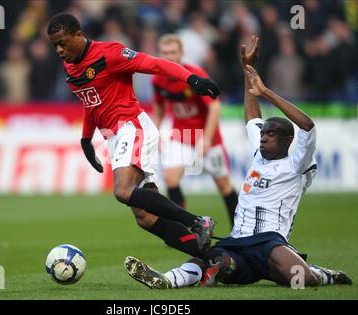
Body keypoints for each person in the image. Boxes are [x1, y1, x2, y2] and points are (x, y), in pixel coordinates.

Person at [124, 36, 352, 289]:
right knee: (208, 260)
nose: (263, 137)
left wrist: (266, 93)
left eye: (270, 134)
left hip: (269, 242)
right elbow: (252, 116)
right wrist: (248, 72)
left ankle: (321, 274)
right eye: (263, 133)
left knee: (301, 279)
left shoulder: (297, 163)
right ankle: (166, 279)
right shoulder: (259, 152)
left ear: (288, 140)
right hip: (236, 242)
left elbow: (308, 126)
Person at [47, 13, 220, 259]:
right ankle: (214, 258)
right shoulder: (69, 65)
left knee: (122, 191)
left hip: (133, 126)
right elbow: (91, 101)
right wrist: (86, 139)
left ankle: (198, 222)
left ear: (78, 35)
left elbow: (156, 64)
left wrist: (191, 78)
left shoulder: (111, 54)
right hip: (114, 137)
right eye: (55, 45)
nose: (59, 49)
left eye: (63, 42)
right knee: (145, 217)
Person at [152, 34, 238, 226]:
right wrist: (155, 134)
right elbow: (158, 108)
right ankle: (180, 228)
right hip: (180, 136)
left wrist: (206, 139)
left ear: (181, 53)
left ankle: (240, 229)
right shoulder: (158, 79)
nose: (169, 56)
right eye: (165, 52)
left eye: (173, 52)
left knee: (223, 185)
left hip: (208, 138)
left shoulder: (194, 75)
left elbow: (215, 107)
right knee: (170, 178)